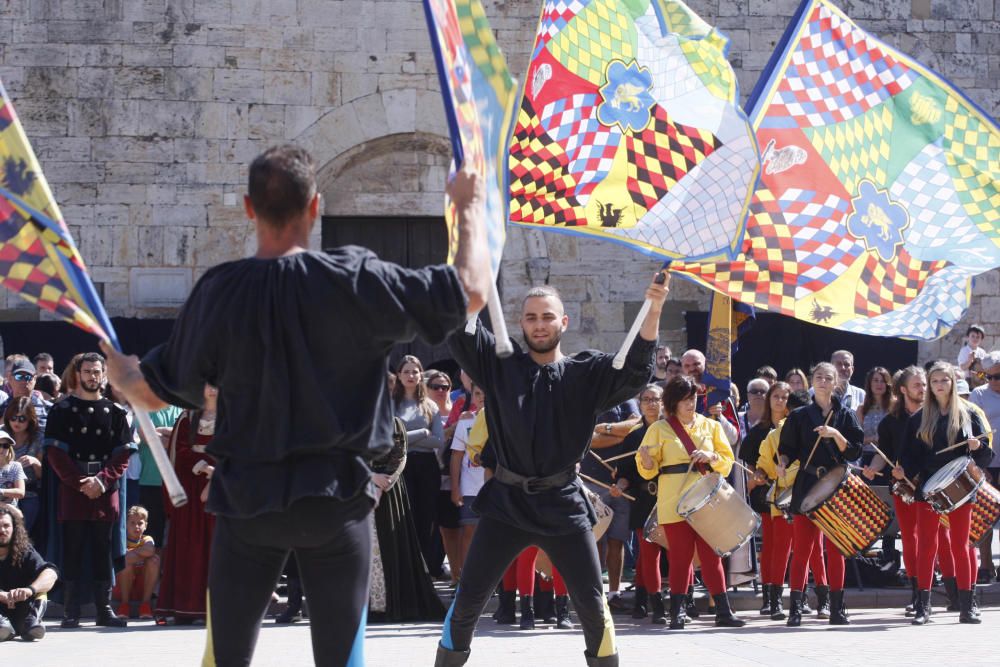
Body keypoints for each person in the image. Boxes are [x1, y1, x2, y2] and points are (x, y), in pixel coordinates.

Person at [102, 146, 489, 666]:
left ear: (247, 207)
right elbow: (471, 290)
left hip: (246, 502)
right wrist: (468, 206)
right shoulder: (356, 279)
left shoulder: (222, 292)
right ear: (316, 206)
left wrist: (123, 374)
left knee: (225, 659)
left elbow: (151, 393)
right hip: (336, 501)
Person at [435, 276, 667, 667]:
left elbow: (634, 370)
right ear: (521, 324)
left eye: (547, 316)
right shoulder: (500, 366)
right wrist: (473, 274)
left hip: (563, 506)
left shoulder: (587, 372)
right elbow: (462, 334)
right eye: (530, 318)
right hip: (506, 505)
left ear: (564, 322)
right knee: (468, 601)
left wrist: (656, 306)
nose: (538, 324)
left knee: (593, 607)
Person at [636, 375, 744, 630]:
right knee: (680, 558)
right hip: (673, 500)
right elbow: (647, 470)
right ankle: (677, 613)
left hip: (707, 501)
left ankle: (723, 611)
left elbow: (727, 464)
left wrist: (711, 456)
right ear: (673, 402)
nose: (690, 403)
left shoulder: (711, 426)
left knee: (711, 557)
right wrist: (648, 463)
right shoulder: (658, 429)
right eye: (684, 399)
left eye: (693, 398)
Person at [43, 352, 134, 629]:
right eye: (87, 372)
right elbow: (54, 454)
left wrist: (102, 481)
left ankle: (104, 609)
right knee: (72, 547)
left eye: (97, 372)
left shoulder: (116, 413)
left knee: (102, 548)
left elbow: (123, 456)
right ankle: (71, 611)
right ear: (77, 374)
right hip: (74, 488)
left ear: (104, 375)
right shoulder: (62, 410)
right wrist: (80, 482)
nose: (92, 377)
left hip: (105, 490)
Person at [902, 361, 993, 625]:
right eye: (935, 381)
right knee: (927, 547)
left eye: (945, 380)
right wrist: (903, 469)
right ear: (929, 386)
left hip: (961, 488)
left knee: (960, 546)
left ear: (953, 383)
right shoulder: (919, 418)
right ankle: (923, 607)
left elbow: (986, 456)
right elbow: (908, 455)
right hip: (928, 488)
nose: (940, 385)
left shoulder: (968, 414)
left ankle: (968, 606)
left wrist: (977, 447)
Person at [777, 361, 863, 626]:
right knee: (802, 550)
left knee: (836, 550)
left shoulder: (845, 414)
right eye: (818, 377)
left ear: (836, 382)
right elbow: (787, 447)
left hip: (837, 485)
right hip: (807, 483)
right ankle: (796, 609)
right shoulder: (800, 415)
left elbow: (854, 451)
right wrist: (782, 463)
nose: (823, 381)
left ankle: (837, 609)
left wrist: (835, 433)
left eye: (828, 377)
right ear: (812, 381)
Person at [369, 417, 446, 623]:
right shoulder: (350, 419)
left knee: (391, 544)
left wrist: (381, 484)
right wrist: (368, 477)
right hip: (358, 489)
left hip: (389, 491)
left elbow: (399, 455)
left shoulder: (393, 421)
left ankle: (394, 604)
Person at [155, 384, 218, 624]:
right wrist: (204, 467)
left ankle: (214, 609)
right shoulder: (187, 418)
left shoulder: (232, 416)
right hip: (191, 491)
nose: (213, 390)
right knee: (189, 546)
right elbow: (179, 451)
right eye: (208, 384)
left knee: (216, 547)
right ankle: (184, 608)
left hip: (220, 489)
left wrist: (218, 472)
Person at [868, 366, 926, 615]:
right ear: (903, 389)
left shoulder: (934, 416)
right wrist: (872, 468)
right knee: (912, 540)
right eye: (917, 385)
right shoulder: (891, 422)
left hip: (929, 484)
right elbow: (885, 454)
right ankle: (917, 593)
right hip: (902, 487)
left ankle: (950, 591)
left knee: (932, 540)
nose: (923, 389)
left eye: (924, 384)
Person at [754, 389, 812, 621]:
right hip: (784, 500)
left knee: (808, 552)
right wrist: (759, 473)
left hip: (809, 497)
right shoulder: (774, 436)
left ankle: (803, 597)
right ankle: (775, 600)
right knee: (782, 551)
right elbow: (762, 466)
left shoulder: (815, 432)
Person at [613, 384, 664, 623]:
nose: (652, 403)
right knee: (648, 554)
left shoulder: (673, 431)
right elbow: (625, 473)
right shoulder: (634, 436)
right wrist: (620, 487)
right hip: (644, 499)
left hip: (672, 498)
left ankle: (683, 600)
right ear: (640, 403)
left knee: (678, 555)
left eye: (656, 399)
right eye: (646, 399)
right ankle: (649, 602)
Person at [393, 355, 447, 579]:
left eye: (415, 371)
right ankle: (405, 570)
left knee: (426, 519)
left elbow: (438, 440)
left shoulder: (430, 405)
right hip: (400, 465)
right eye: (406, 371)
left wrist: (408, 436)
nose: (411, 376)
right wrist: (421, 433)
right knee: (404, 519)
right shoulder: (391, 403)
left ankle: (423, 570)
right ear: (399, 375)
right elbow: (389, 438)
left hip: (426, 466)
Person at [584, 397, 639, 612]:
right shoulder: (586, 399)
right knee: (596, 540)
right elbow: (588, 439)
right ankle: (594, 595)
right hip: (591, 480)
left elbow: (635, 425)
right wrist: (619, 433)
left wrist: (604, 428)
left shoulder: (626, 399)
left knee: (617, 541)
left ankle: (614, 593)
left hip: (622, 482)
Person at [743, 381, 790, 616]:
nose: (780, 400)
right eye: (776, 396)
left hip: (789, 493)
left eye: (784, 396)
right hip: (766, 491)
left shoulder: (795, 426)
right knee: (770, 545)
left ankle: (779, 597)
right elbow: (750, 465)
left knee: (783, 546)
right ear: (769, 399)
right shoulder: (759, 431)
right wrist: (758, 474)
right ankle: (768, 597)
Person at [0, 506, 58, 641]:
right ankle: (3, 628)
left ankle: (32, 623)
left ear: (14, 529)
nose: (2, 530)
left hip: (22, 608)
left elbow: (51, 573)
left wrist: (29, 590)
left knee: (41, 583)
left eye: (6, 526)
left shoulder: (24, 550)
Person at [425, 368, 460, 585]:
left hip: (454, 477)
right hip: (430, 472)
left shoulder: (457, 409)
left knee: (452, 524)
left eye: (445, 387)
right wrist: (450, 430)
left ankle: (452, 570)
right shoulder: (425, 412)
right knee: (432, 525)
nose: (441, 391)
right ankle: (434, 566)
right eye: (435, 387)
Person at [449, 384, 486, 582]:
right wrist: (455, 488)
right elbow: (456, 456)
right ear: (472, 397)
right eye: (478, 394)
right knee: (469, 531)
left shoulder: (504, 420)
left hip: (495, 486)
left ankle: (492, 580)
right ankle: (466, 580)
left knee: (493, 534)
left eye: (486, 393)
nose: (482, 398)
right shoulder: (466, 423)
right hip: (470, 486)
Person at [969, 350, 1000, 583]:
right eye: (987, 376)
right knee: (986, 515)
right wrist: (981, 463)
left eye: (996, 377)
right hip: (989, 463)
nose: (992, 381)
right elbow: (973, 430)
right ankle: (986, 565)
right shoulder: (978, 394)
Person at [4, 399, 43, 535]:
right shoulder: (2, 434)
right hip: (3, 494)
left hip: (29, 494)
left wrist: (35, 462)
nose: (16, 422)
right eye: (13, 418)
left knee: (23, 535)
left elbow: (42, 476)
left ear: (30, 419)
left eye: (22, 419)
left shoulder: (38, 438)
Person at [116, 505, 159, 619]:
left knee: (154, 560)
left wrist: (132, 554)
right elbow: (125, 559)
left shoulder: (147, 538)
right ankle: (124, 605)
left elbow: (150, 550)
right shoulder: (121, 540)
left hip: (142, 585)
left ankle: (145, 604)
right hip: (122, 587)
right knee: (125, 564)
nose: (136, 526)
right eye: (132, 523)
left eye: (140, 523)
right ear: (125, 524)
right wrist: (142, 554)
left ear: (146, 525)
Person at [857, 366, 894, 476]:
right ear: (869, 383)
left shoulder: (895, 406)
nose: (879, 384)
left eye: (883, 381)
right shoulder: (862, 409)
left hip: (889, 458)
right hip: (867, 457)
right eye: (876, 380)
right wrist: (873, 439)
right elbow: (857, 439)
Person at [0, 358, 50, 432]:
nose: (23, 382)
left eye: (28, 377)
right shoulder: (1, 408)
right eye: (19, 377)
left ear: (35, 380)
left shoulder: (48, 409)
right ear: (10, 379)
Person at [0, 430, 26, 509]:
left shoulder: (16, 466)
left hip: (10, 512)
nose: (1, 449)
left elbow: (21, 492)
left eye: (5, 446)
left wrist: (1, 491)